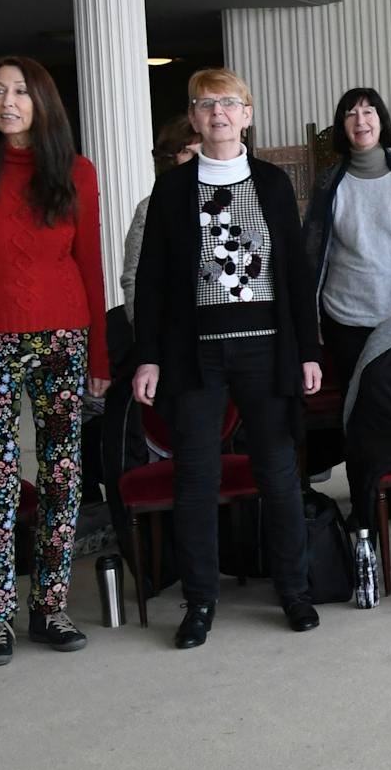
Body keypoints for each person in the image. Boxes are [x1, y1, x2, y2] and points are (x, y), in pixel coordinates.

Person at [131, 67, 324, 649]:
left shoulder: (271, 183)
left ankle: (294, 590)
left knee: (278, 472)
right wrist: (147, 358)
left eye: (229, 103)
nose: (217, 112)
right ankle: (200, 602)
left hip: (266, 348)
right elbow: (154, 283)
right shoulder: (172, 189)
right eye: (205, 104)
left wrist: (309, 352)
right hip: (194, 354)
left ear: (246, 114)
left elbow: (295, 273)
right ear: (192, 118)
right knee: (196, 476)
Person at [0, 56, 109, 666]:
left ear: (42, 102)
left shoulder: (76, 172)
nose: (8, 102)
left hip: (64, 336)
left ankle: (50, 608)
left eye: (20, 92)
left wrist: (101, 356)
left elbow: (91, 264)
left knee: (63, 476)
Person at [302, 87, 391, 527]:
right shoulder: (328, 182)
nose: (361, 120)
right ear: (342, 126)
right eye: (351, 114)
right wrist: (312, 319)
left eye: (369, 112)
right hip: (347, 314)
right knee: (361, 414)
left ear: (382, 121)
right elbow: (313, 250)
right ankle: (366, 503)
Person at [122, 118, 201, 320]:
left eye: (202, 148)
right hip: (173, 324)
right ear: (170, 158)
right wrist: (140, 328)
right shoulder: (149, 208)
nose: (197, 156)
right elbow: (134, 278)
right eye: (186, 150)